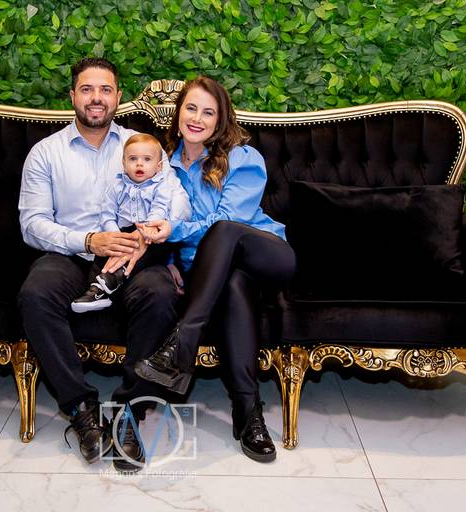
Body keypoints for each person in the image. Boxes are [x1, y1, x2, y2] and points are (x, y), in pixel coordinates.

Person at [17, 58, 185, 474]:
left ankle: (130, 410)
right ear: (73, 96)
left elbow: (176, 197)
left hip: (133, 251)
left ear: (118, 97)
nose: (97, 98)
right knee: (35, 294)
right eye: (87, 89)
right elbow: (32, 224)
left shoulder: (142, 146)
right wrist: (90, 240)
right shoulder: (46, 152)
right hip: (72, 254)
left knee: (160, 293)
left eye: (106, 89)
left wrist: (158, 230)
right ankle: (81, 408)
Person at [133, 76, 297, 463]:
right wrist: (169, 261)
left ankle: (183, 340)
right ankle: (248, 413)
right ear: (178, 114)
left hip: (267, 256)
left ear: (220, 121)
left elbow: (226, 221)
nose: (197, 118)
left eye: (208, 112)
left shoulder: (242, 159)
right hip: (217, 275)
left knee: (224, 230)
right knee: (234, 284)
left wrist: (174, 231)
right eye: (191, 108)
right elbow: (153, 219)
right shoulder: (162, 167)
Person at [71, 133, 190, 313]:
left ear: (158, 166)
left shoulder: (161, 186)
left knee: (154, 247)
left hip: (149, 230)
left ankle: (115, 278)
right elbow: (107, 214)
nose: (139, 164)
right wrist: (115, 236)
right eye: (133, 159)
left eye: (147, 159)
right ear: (124, 163)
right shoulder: (116, 186)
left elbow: (159, 208)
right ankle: (95, 291)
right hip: (122, 231)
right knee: (104, 252)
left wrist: (147, 230)